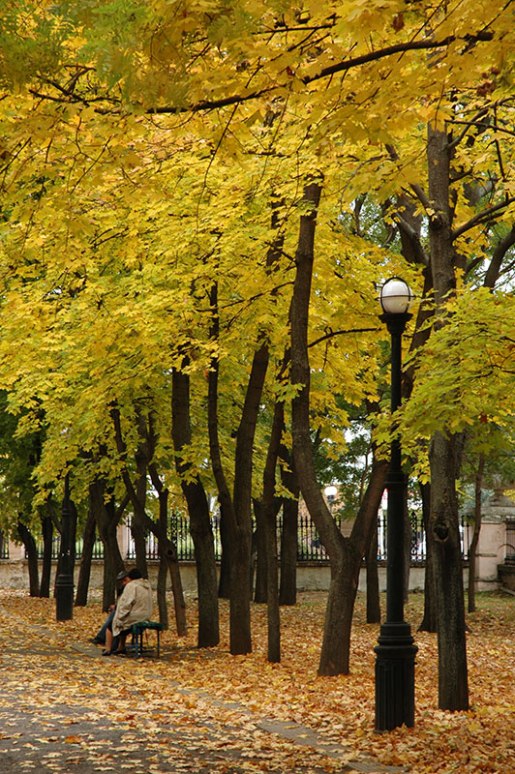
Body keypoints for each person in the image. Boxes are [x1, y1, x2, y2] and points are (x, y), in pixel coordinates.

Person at [102, 568, 153, 656]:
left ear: (130, 578)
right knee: (121, 621)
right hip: (145, 616)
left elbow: (126, 604)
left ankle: (108, 649)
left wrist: (119, 617)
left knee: (111, 625)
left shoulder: (132, 586)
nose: (124, 582)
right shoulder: (147, 586)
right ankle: (121, 647)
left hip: (135, 616)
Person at [90, 570, 129, 646]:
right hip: (123, 611)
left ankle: (101, 638)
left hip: (127, 613)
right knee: (113, 615)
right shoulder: (123, 588)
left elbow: (127, 603)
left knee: (113, 618)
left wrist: (117, 607)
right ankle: (102, 638)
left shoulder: (130, 588)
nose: (123, 583)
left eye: (124, 580)